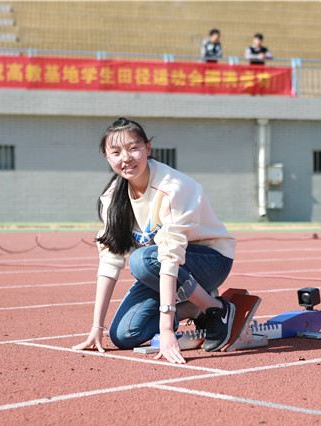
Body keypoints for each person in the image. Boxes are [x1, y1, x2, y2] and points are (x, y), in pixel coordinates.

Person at [73, 118, 237, 364]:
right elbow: (109, 262)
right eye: (115, 152)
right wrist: (97, 327)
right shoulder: (111, 199)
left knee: (141, 260)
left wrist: (167, 329)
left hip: (211, 260)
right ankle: (195, 306)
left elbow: (170, 255)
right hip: (160, 265)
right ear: (107, 158)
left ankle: (216, 308)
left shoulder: (173, 187)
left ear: (148, 149)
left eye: (133, 148)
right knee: (124, 335)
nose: (126, 158)